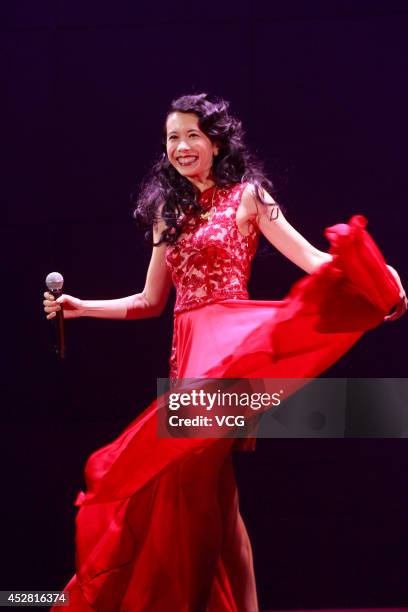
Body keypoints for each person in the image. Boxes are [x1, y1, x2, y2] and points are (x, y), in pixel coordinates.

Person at [43, 93, 406, 611]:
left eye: (193, 135)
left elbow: (312, 261)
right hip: (186, 357)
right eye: (172, 137)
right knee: (215, 496)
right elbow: (150, 302)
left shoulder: (250, 197)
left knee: (195, 490)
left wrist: (376, 276)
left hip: (232, 359)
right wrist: (82, 308)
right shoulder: (169, 211)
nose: (182, 146)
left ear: (216, 141)